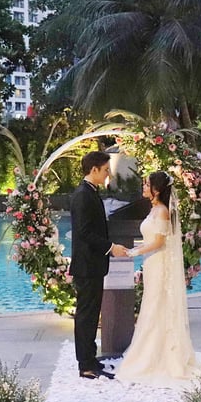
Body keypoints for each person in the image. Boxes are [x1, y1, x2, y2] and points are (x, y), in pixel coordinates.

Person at [117, 171, 196, 385]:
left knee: (156, 304)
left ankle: (158, 355)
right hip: (152, 262)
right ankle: (150, 351)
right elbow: (151, 239)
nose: (143, 187)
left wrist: (134, 252)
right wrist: (136, 249)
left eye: (147, 184)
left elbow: (159, 242)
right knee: (152, 303)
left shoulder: (162, 211)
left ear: (157, 190)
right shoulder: (154, 209)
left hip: (160, 262)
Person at [70, 151, 128, 380]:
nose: (108, 175)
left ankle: (90, 359)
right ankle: (85, 364)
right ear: (93, 169)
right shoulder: (82, 195)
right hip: (87, 266)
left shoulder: (90, 192)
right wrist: (110, 247)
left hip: (92, 265)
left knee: (92, 315)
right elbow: (84, 232)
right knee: (86, 316)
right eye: (105, 170)